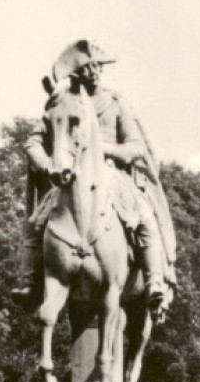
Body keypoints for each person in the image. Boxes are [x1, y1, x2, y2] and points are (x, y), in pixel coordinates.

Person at [15, 40, 176, 315]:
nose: (93, 73)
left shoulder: (116, 103)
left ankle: (154, 281)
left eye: (96, 67)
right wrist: (47, 165)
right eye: (86, 69)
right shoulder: (63, 102)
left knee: (145, 217)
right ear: (76, 73)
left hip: (112, 175)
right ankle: (29, 282)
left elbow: (136, 146)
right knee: (35, 223)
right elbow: (33, 142)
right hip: (67, 176)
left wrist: (107, 151)